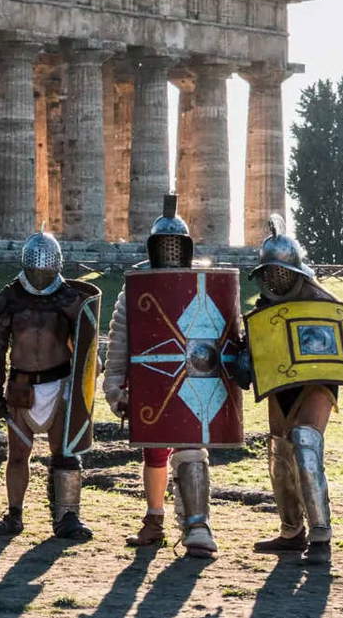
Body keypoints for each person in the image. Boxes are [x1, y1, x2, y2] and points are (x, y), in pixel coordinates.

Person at [101, 199, 219, 556]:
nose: (170, 250)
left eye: (176, 244)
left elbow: (218, 336)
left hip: (192, 381)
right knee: (154, 454)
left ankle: (197, 524)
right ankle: (154, 521)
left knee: (191, 448)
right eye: (163, 244)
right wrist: (115, 388)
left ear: (186, 247)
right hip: (151, 381)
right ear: (152, 248)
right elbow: (121, 341)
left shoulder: (201, 285)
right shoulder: (135, 287)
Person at [0, 232, 100, 541]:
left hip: (58, 385)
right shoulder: (10, 298)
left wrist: (89, 368)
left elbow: (88, 340)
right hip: (21, 389)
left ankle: (67, 516)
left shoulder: (70, 300)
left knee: (65, 454)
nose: (41, 273)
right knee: (18, 455)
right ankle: (14, 515)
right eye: (37, 267)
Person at [250, 217, 343, 565]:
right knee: (279, 454)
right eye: (269, 273)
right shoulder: (264, 306)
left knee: (305, 443)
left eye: (280, 271)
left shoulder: (322, 301)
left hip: (316, 380)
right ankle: (291, 532)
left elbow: (341, 337)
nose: (275, 279)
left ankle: (321, 536)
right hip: (280, 381)